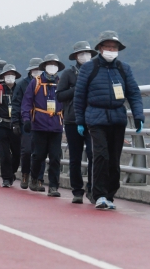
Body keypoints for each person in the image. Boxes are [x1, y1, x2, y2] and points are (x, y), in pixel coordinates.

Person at [74, 31, 144, 210]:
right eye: (108, 47)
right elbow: (79, 96)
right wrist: (80, 121)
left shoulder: (123, 68)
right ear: (100, 48)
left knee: (114, 158)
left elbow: (134, 93)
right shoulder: (89, 68)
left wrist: (138, 116)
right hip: (96, 118)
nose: (111, 50)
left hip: (117, 118)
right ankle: (99, 195)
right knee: (101, 156)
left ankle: (110, 194)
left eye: (114, 47)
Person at [57, 41, 96, 204]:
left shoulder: (96, 71)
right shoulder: (68, 73)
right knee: (75, 157)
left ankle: (93, 188)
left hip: (93, 119)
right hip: (73, 120)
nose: (85, 56)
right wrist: (77, 88)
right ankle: (77, 190)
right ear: (76, 56)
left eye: (87, 53)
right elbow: (60, 95)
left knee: (94, 155)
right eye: (81, 53)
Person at [21, 54, 64, 197]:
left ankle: (53, 186)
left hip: (56, 125)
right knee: (38, 155)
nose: (52, 66)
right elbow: (26, 102)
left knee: (55, 157)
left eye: (54, 64)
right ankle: (34, 178)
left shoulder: (61, 82)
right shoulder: (35, 82)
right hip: (39, 125)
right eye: (49, 63)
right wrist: (26, 119)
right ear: (44, 66)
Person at [11, 58, 45, 189]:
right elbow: (16, 104)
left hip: (43, 122)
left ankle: (38, 179)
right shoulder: (22, 85)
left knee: (41, 151)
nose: (37, 71)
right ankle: (25, 173)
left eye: (39, 69)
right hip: (26, 122)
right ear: (30, 70)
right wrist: (16, 122)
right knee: (26, 151)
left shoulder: (46, 83)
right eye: (34, 69)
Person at [0, 64, 21, 187]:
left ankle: (12, 172)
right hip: (2, 125)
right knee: (5, 153)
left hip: (16, 126)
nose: (10, 77)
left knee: (17, 153)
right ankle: (6, 178)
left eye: (12, 75)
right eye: (7, 75)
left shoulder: (20, 89)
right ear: (3, 77)